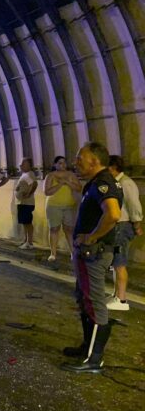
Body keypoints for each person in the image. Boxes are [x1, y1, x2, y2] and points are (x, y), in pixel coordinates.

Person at [62, 142, 122, 373]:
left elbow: (113, 214)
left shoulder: (104, 183)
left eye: (80, 158)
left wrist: (91, 237)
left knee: (95, 304)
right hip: (88, 254)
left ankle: (94, 360)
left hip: (94, 254)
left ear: (95, 161)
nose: (76, 162)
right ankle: (87, 348)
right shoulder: (96, 183)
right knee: (85, 299)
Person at [107, 155, 142, 311]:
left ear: (113, 167)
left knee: (120, 263)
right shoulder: (117, 182)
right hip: (118, 226)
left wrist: (137, 224)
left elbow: (134, 205)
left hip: (123, 226)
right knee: (116, 263)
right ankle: (116, 295)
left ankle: (121, 299)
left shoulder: (125, 183)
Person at [43, 155, 81, 261]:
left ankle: (73, 252)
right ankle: (53, 253)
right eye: (59, 163)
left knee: (69, 229)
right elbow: (47, 192)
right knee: (54, 228)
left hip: (69, 205)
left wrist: (68, 182)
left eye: (64, 163)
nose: (62, 165)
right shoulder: (50, 176)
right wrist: (60, 184)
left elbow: (78, 188)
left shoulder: (71, 175)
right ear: (55, 165)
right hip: (54, 206)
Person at [14, 158, 38, 249]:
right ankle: (25, 240)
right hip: (22, 202)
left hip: (27, 203)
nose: (20, 166)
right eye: (20, 164)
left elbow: (34, 184)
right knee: (24, 222)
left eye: (23, 164)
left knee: (28, 222)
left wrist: (28, 194)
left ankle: (30, 242)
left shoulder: (29, 174)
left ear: (28, 165)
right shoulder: (24, 174)